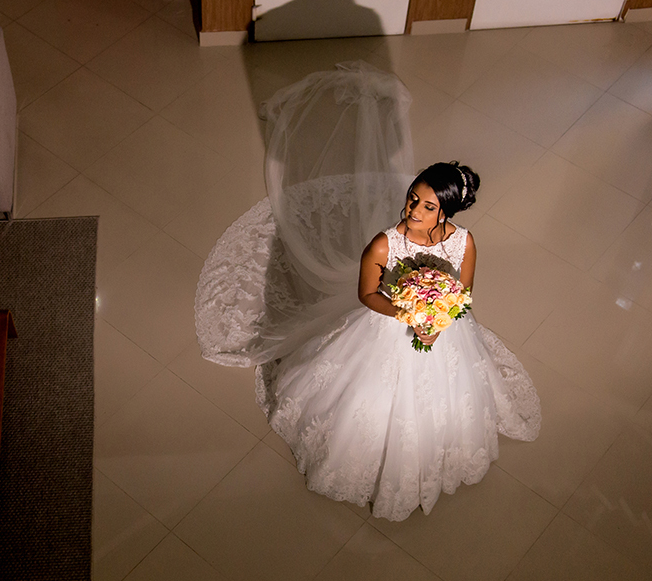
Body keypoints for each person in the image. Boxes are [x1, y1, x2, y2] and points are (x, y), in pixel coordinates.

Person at [194, 63, 540, 522]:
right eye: (413, 197)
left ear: (447, 212)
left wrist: (440, 315)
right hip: (387, 325)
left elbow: (465, 291)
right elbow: (366, 296)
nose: (413, 209)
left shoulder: (464, 242)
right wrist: (408, 312)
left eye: (427, 206)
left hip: (441, 330)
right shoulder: (383, 243)